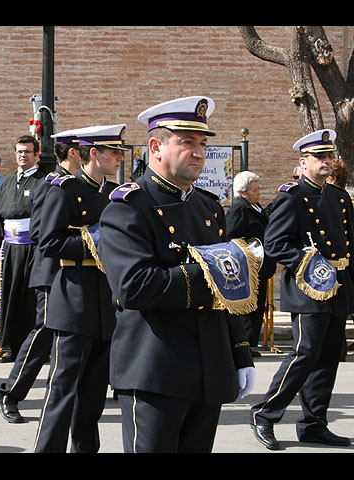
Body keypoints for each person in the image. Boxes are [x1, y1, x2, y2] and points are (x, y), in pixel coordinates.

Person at [98, 96, 255, 453]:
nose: (199, 152)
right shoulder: (128, 207)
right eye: (187, 143)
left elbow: (229, 291)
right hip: (156, 368)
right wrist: (214, 271)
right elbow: (135, 287)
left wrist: (240, 353)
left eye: (202, 144)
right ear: (156, 147)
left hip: (209, 366)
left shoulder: (209, 207)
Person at [250, 129, 354, 450]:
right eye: (319, 157)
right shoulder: (291, 198)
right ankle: (265, 414)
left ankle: (313, 423)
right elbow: (276, 244)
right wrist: (308, 262)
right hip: (308, 287)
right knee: (304, 353)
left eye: (328, 156)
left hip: (338, 286)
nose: (326, 162)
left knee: (328, 357)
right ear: (303, 162)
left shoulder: (340, 197)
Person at [33, 124, 125, 453]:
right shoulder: (64, 189)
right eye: (113, 152)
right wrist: (94, 239)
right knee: (62, 391)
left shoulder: (114, 194)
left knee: (93, 396)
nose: (118, 157)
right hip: (73, 299)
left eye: (119, 152)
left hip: (105, 300)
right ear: (94, 154)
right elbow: (48, 241)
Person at [0, 129, 82, 423]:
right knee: (43, 332)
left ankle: (71, 398)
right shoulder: (50, 184)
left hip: (79, 275)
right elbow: (45, 235)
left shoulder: (79, 185)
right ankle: (10, 392)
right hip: (51, 270)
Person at [0, 135, 46, 362]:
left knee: (32, 300)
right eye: (19, 151)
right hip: (10, 249)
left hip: (35, 249)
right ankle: (8, 346)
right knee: (8, 298)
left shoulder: (43, 182)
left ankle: (34, 348)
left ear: (36, 154)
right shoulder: (6, 184)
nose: (23, 155)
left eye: (27, 151)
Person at [226, 171, 277, 357]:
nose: (259, 193)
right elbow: (230, 236)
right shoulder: (240, 209)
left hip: (259, 267)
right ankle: (243, 345)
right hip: (247, 267)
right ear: (243, 192)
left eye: (258, 189)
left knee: (257, 307)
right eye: (254, 190)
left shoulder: (256, 208)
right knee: (247, 308)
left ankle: (251, 343)